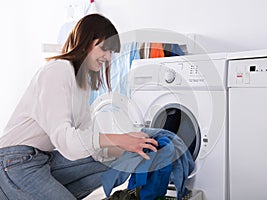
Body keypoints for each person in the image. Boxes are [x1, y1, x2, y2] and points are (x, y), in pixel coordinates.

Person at [0, 13, 158, 200]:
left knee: (116, 161)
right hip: (14, 161)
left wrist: (132, 147)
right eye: (104, 49)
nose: (107, 58)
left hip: (43, 159)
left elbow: (81, 146)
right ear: (85, 41)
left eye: (111, 53)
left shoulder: (82, 86)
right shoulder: (58, 70)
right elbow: (66, 140)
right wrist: (119, 139)